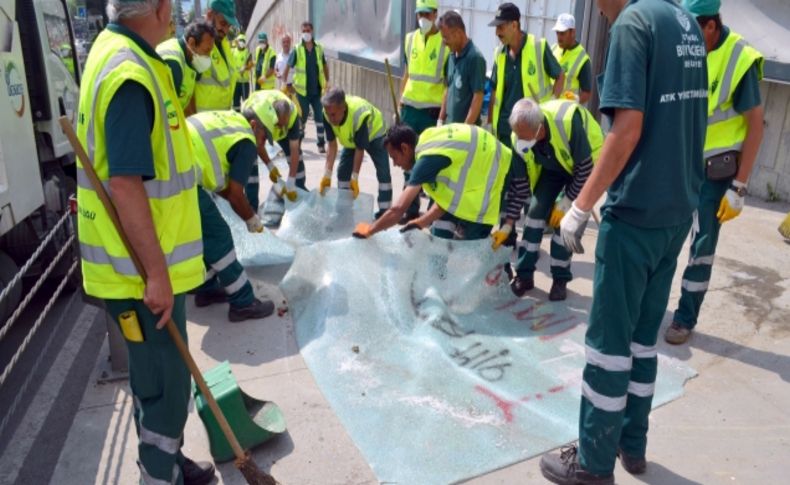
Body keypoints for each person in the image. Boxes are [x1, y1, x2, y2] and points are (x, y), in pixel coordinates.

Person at [538, 0, 708, 483]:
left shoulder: (634, 24)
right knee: (642, 342)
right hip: (676, 209)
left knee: (609, 347)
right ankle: (632, 447)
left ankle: (593, 463)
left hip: (635, 214)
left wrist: (579, 207)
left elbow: (626, 130)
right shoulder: (687, 23)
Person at [76, 1, 215, 483]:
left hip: (136, 269)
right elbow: (126, 183)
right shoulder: (130, 74)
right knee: (166, 390)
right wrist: (156, 273)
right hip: (141, 275)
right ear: (157, 8)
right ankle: (158, 476)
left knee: (153, 381)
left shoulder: (115, 51)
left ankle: (167, 462)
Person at [666, 0, 764, 345]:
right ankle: (650, 309)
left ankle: (684, 318)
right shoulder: (689, 50)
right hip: (681, 165)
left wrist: (739, 187)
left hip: (716, 174)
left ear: (711, 26)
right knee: (664, 238)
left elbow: (755, 125)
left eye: (695, 32)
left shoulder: (739, 58)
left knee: (701, 248)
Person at [352, 123, 530, 243]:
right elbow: (446, 198)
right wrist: (421, 222)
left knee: (473, 249)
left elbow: (398, 209)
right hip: (489, 167)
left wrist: (370, 230)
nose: (395, 164)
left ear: (405, 148)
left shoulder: (426, 160)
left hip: (501, 174)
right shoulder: (427, 139)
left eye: (395, 157)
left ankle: (497, 279)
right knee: (440, 234)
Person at [509, 98, 603, 301]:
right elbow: (520, 187)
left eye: (526, 137)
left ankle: (560, 280)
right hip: (553, 168)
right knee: (534, 213)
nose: (521, 142)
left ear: (540, 129)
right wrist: (508, 224)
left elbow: (585, 170)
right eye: (519, 136)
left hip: (586, 168)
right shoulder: (518, 137)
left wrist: (566, 202)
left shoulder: (568, 122)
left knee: (565, 225)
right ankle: (524, 276)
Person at [186, 110, 276, 322]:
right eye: (263, 138)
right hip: (183, 180)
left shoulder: (228, 122)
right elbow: (236, 194)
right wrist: (251, 219)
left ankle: (206, 287)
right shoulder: (245, 140)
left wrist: (244, 209)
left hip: (176, 171)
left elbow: (220, 185)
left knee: (204, 234)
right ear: (254, 126)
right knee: (219, 236)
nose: (262, 145)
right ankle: (243, 302)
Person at [397, 0, 449, 223]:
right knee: (406, 160)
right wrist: (400, 104)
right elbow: (407, 73)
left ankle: (430, 213)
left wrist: (441, 117)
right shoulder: (410, 39)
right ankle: (408, 208)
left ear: (436, 13)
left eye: (427, 14)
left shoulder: (445, 43)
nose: (423, 18)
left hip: (430, 111)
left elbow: (447, 84)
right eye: (420, 14)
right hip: (409, 109)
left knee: (428, 160)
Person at [487, 2, 565, 147]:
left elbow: (560, 76)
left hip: (531, 129)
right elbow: (493, 90)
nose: (497, 32)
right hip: (504, 130)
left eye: (501, 27)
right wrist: (490, 123)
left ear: (514, 25)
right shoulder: (499, 53)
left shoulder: (538, 46)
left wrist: (551, 105)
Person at [319, 87, 392, 218]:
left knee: (383, 173)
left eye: (334, 115)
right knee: (342, 173)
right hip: (353, 139)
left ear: (343, 108)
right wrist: (327, 174)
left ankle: (385, 213)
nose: (331, 118)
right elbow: (332, 145)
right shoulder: (327, 113)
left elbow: (360, 149)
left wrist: (355, 178)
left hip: (376, 134)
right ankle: (343, 211)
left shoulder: (358, 115)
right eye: (328, 114)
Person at [241, 89, 305, 226]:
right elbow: (258, 143)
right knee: (249, 168)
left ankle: (301, 201)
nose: (282, 128)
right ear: (273, 117)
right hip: (255, 121)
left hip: (273, 128)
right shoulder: (256, 115)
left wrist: (292, 181)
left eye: (285, 125)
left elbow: (294, 150)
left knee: (298, 168)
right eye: (279, 125)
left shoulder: (292, 118)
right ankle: (251, 211)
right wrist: (270, 165)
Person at [283, 21, 329, 154]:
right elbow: (287, 67)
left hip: (317, 91)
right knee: (301, 120)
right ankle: (298, 144)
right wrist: (286, 84)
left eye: (308, 30)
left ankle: (321, 144)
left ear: (312, 31)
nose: (306, 33)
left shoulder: (319, 48)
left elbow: (325, 66)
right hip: (302, 92)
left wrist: (328, 81)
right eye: (304, 31)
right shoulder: (297, 49)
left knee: (319, 118)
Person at [437, 10, 486, 125]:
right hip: (449, 128)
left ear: (458, 33)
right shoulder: (451, 56)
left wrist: (465, 129)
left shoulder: (475, 58)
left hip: (465, 133)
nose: (444, 43)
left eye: (446, 37)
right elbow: (447, 89)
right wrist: (440, 119)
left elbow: (478, 97)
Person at [157, 20, 216, 116]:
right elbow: (167, 111)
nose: (208, 56)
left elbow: (188, 98)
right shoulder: (173, 64)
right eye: (206, 50)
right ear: (192, 43)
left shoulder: (192, 59)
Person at [193, 0, 239, 112]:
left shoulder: (224, 43)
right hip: (202, 124)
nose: (226, 30)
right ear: (210, 15)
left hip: (221, 121)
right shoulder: (196, 44)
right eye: (223, 24)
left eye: (229, 26)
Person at [551, 13, 593, 104]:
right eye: (557, 32)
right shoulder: (553, 49)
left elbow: (587, 92)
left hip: (567, 113)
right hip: (550, 108)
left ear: (572, 33)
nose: (559, 37)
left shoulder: (582, 59)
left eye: (562, 33)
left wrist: (576, 100)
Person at [231, 33, 253, 109]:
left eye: (243, 41)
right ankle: (237, 114)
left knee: (246, 102)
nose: (241, 42)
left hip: (244, 82)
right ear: (237, 42)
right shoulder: (233, 51)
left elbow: (251, 65)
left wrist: (245, 67)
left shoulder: (247, 53)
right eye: (240, 41)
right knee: (235, 102)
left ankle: (245, 117)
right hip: (235, 81)